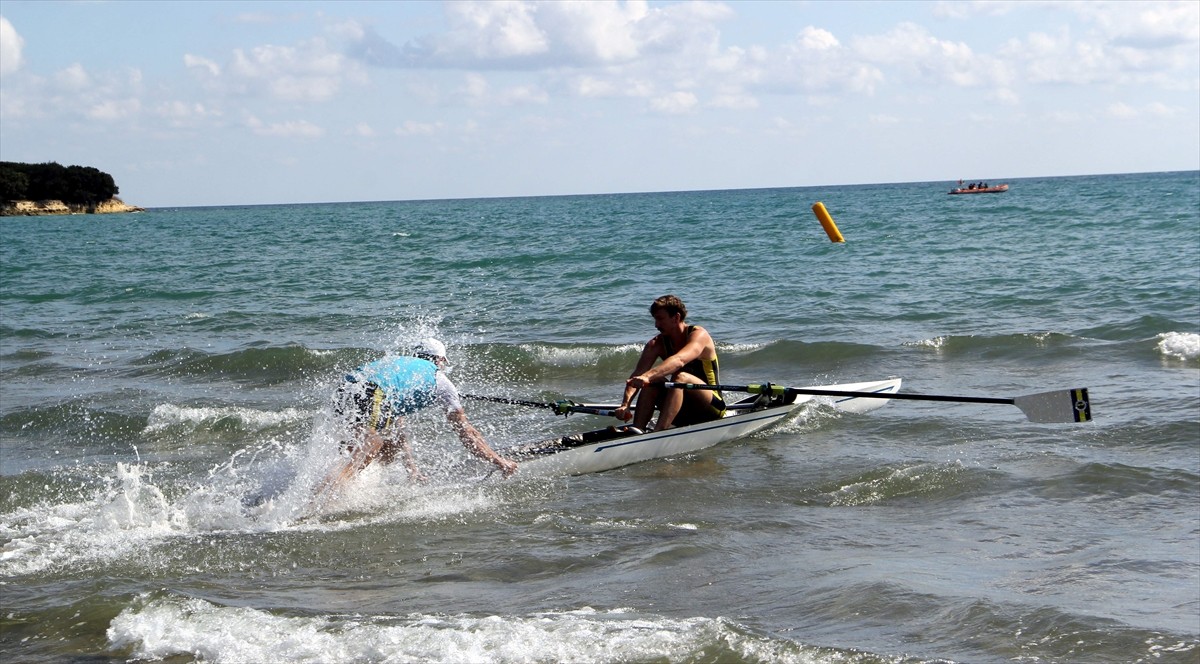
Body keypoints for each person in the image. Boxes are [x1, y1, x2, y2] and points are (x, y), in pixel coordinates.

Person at [321, 338, 517, 492]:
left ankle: (351, 485)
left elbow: (400, 433)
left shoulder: (399, 368)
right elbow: (468, 434)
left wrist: (412, 470)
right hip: (373, 391)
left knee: (385, 448)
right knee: (371, 444)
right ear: (440, 360)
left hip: (344, 389)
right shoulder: (439, 380)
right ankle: (324, 496)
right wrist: (500, 462)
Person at [612, 295, 726, 432]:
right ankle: (637, 431)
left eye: (660, 319)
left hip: (712, 408)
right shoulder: (656, 344)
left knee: (680, 377)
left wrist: (648, 376)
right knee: (653, 382)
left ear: (676, 317)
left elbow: (679, 360)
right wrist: (626, 404)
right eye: (655, 319)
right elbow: (636, 376)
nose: (656, 325)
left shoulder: (699, 335)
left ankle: (658, 432)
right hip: (681, 412)